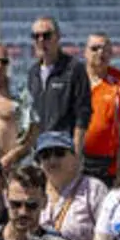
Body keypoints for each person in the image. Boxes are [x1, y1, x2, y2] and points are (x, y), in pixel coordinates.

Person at [27, 17, 90, 155]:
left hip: (63, 148)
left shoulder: (74, 69)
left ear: (58, 37)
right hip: (40, 149)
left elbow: (82, 114)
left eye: (46, 35)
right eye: (36, 36)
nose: (41, 40)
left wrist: (76, 152)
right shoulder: (33, 72)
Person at [36, 132, 108, 240]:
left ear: (75, 157)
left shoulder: (94, 189)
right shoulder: (35, 189)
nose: (52, 160)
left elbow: (108, 236)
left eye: (59, 153)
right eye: (45, 155)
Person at [82, 34, 120, 183]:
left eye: (105, 49)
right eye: (95, 49)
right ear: (85, 53)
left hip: (110, 164)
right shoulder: (74, 80)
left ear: (111, 53)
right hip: (77, 160)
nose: (100, 53)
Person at [0, 43, 37, 169]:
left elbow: (34, 131)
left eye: (4, 62)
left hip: (14, 165)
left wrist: (12, 156)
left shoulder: (21, 93)